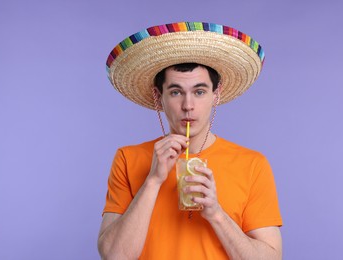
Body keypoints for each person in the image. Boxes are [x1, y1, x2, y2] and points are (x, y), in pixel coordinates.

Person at [98, 22, 283, 259]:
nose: (188, 105)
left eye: (199, 91)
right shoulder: (128, 158)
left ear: (216, 95)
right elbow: (115, 256)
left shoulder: (253, 164)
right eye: (176, 92)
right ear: (159, 96)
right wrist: (153, 181)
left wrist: (216, 213)